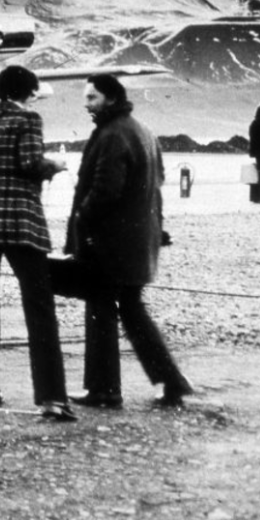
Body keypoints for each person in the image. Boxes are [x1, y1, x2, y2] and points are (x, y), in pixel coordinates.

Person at [59, 74, 193, 409]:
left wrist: (81, 221)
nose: (86, 104)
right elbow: (155, 188)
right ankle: (170, 381)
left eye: (92, 97)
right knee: (131, 310)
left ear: (110, 99)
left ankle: (104, 389)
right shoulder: (142, 131)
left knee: (102, 308)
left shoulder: (113, 134)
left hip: (110, 242)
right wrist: (156, 231)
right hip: (136, 239)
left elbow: (106, 189)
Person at [0, 65, 74, 421]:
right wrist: (55, 164)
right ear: (28, 91)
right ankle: (52, 396)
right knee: (39, 307)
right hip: (19, 220)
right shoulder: (28, 120)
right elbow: (29, 163)